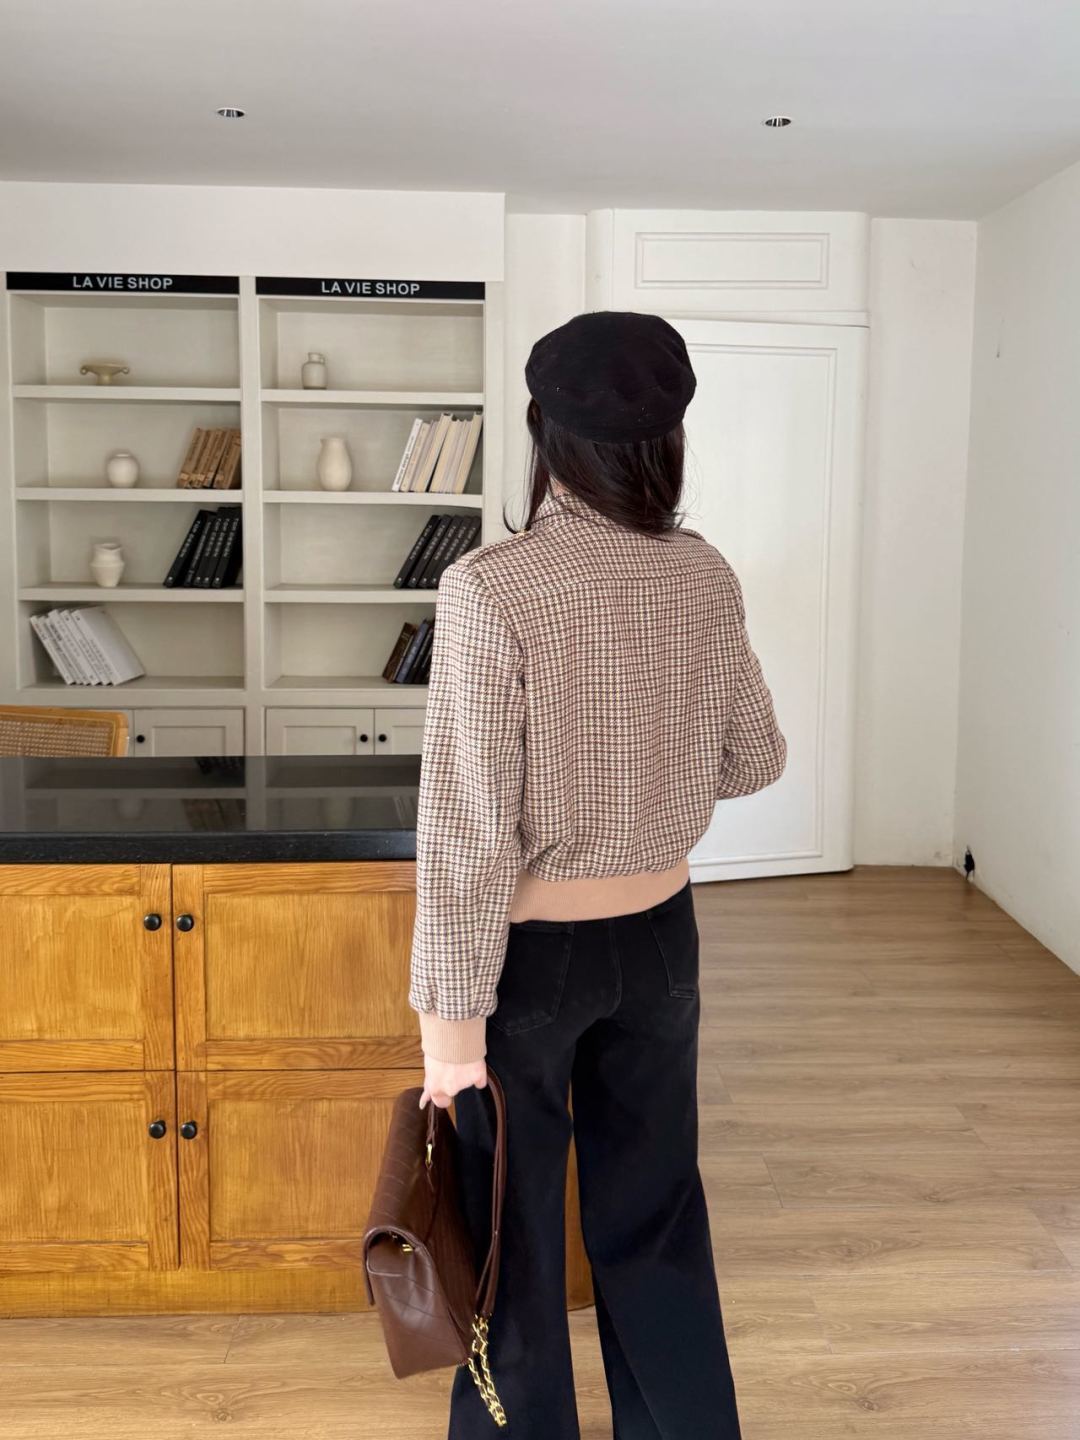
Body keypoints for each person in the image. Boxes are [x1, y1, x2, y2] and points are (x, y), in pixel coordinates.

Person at [408, 309, 787, 1439]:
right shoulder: (703, 574)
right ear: (670, 437)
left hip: (529, 960)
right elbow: (757, 759)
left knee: (514, 1235)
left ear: (543, 432)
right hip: (664, 936)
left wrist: (449, 1035)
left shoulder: (492, 587)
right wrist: (649, 778)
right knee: (656, 1216)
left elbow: (467, 831)